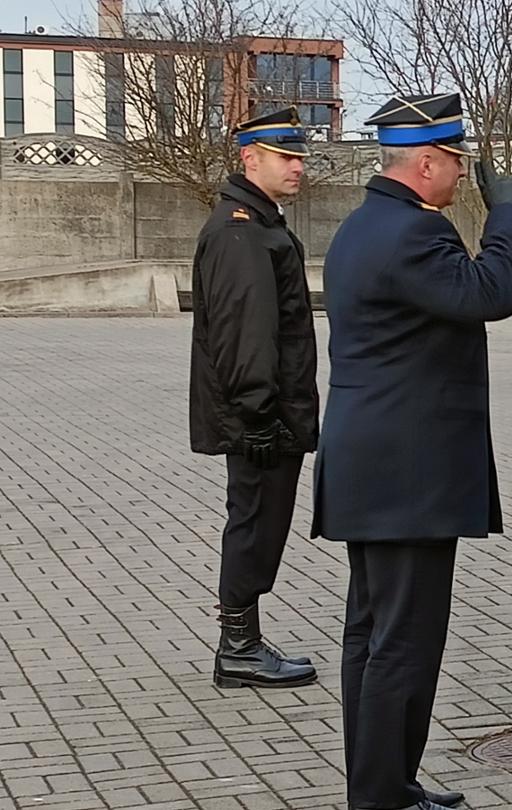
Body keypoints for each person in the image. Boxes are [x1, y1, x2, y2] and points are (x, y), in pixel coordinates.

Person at [315, 93, 512, 810]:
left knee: (374, 637)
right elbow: (490, 292)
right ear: (425, 163)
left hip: (374, 469)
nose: (464, 174)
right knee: (401, 643)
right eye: (458, 163)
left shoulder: (364, 226)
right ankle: (383, 798)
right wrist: (509, 214)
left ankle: (384, 785)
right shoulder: (413, 234)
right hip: (404, 477)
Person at [189, 106, 319, 689]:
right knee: (254, 523)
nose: (299, 167)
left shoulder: (258, 223)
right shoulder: (241, 230)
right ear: (250, 158)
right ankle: (238, 646)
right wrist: (258, 413)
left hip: (266, 412)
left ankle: (242, 640)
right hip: (260, 417)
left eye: (300, 156)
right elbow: (246, 333)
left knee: (260, 522)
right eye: (286, 157)